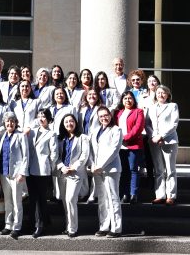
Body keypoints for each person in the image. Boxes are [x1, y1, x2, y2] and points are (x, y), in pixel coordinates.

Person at [90, 106, 123, 238]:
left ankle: (116, 228)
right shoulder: (95, 130)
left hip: (111, 169)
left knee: (113, 198)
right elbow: (91, 150)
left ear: (110, 115)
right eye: (101, 116)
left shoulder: (116, 130)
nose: (104, 118)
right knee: (102, 199)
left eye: (106, 115)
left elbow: (114, 150)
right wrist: (92, 165)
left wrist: (101, 166)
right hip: (97, 169)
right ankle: (104, 226)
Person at [0, 112, 29, 239]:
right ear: (4, 123)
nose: (10, 123)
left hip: (16, 174)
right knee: (7, 201)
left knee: (17, 201)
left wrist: (22, 172)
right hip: (4, 173)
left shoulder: (21, 136)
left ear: (16, 123)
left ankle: (16, 226)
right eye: (7, 121)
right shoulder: (2, 136)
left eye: (12, 121)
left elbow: (26, 156)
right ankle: (8, 225)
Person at [56, 114, 89, 237]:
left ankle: (73, 228)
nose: (69, 123)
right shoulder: (60, 139)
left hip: (75, 174)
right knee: (65, 202)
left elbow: (84, 155)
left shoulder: (83, 137)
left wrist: (73, 167)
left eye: (71, 121)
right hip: (62, 173)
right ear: (63, 125)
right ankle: (68, 226)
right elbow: (56, 156)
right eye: (66, 122)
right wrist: (62, 167)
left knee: (71, 200)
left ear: (75, 122)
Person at [146, 85, 179, 206]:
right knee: (159, 169)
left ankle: (171, 196)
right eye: (159, 92)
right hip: (154, 141)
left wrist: (161, 136)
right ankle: (160, 195)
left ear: (168, 95)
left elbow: (174, 124)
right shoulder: (151, 107)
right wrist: (154, 136)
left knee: (170, 170)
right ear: (155, 94)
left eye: (163, 93)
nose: (161, 95)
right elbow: (147, 124)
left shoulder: (172, 106)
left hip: (169, 141)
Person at [27, 108, 58, 238]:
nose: (41, 118)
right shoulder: (32, 132)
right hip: (30, 169)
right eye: (39, 116)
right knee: (33, 198)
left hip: (43, 170)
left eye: (44, 116)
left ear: (49, 119)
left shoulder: (51, 134)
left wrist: (49, 167)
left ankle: (39, 225)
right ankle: (39, 222)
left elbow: (54, 154)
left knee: (41, 199)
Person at [114, 91, 144, 204]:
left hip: (134, 145)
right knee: (124, 171)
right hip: (120, 147)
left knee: (133, 170)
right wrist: (119, 140)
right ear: (122, 100)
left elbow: (138, 128)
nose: (128, 100)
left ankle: (133, 195)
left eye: (130, 98)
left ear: (134, 100)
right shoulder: (118, 113)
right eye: (125, 98)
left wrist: (125, 138)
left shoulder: (138, 111)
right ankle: (125, 194)